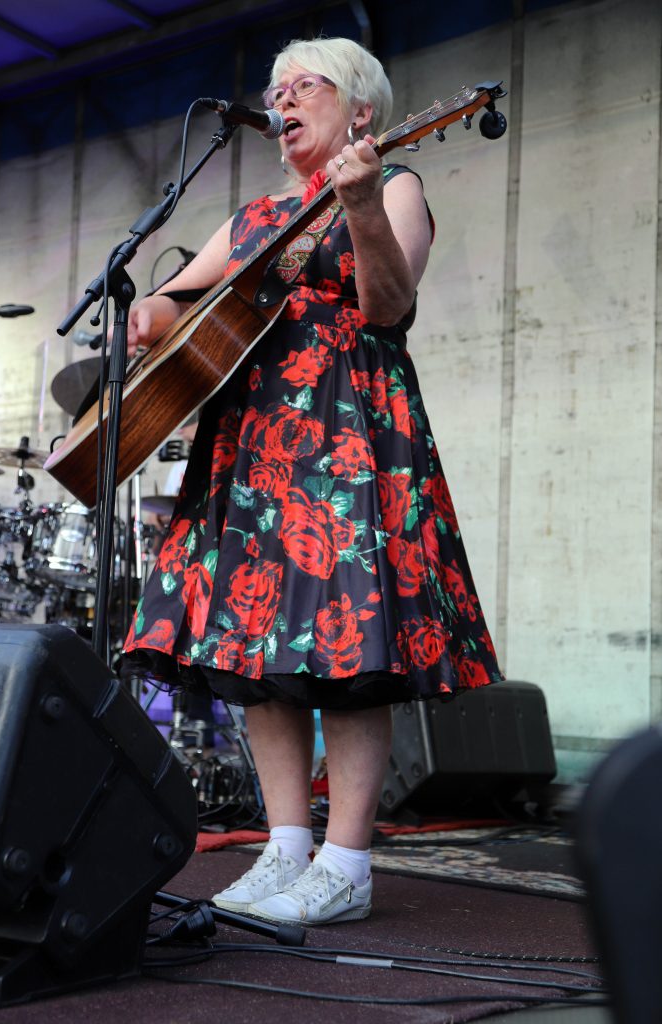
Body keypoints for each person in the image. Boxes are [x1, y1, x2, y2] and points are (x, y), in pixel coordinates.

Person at [122, 36, 502, 925]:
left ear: (360, 110)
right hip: (252, 442)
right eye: (274, 89)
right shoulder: (252, 218)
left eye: (303, 86)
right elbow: (181, 297)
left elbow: (388, 306)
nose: (281, 100)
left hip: (347, 433)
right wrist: (152, 311)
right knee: (254, 652)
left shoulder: (393, 184)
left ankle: (346, 862)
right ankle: (285, 846)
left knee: (348, 649)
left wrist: (359, 202)